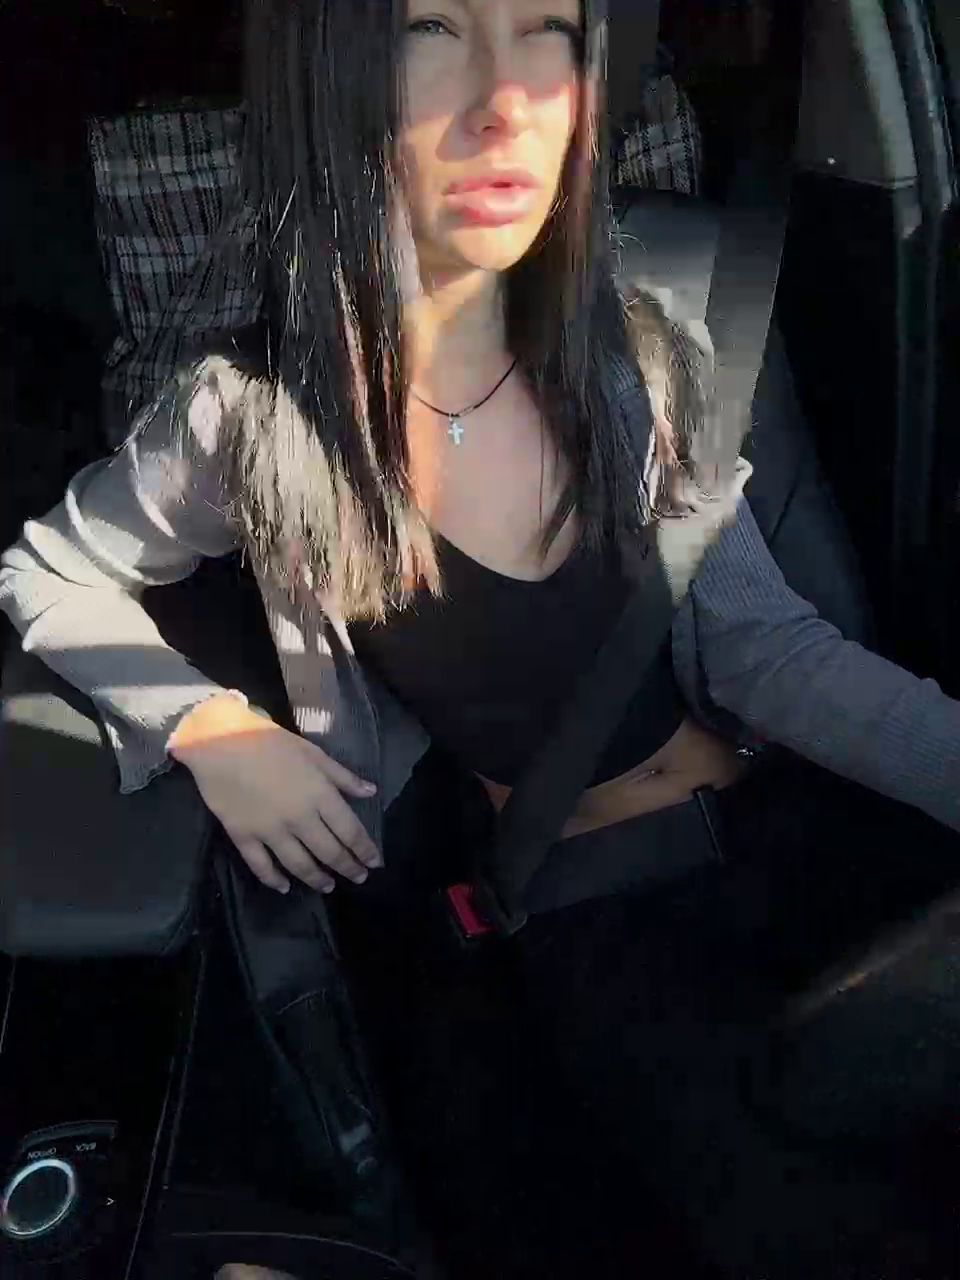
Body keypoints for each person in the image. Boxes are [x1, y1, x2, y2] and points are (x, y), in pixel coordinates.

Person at [2, 0, 959, 1274]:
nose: (508, 100)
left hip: (804, 836)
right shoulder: (247, 419)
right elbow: (47, 572)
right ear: (334, 77)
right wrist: (210, 726)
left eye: (549, 30)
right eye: (434, 30)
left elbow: (767, 653)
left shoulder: (635, 348)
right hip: (594, 920)